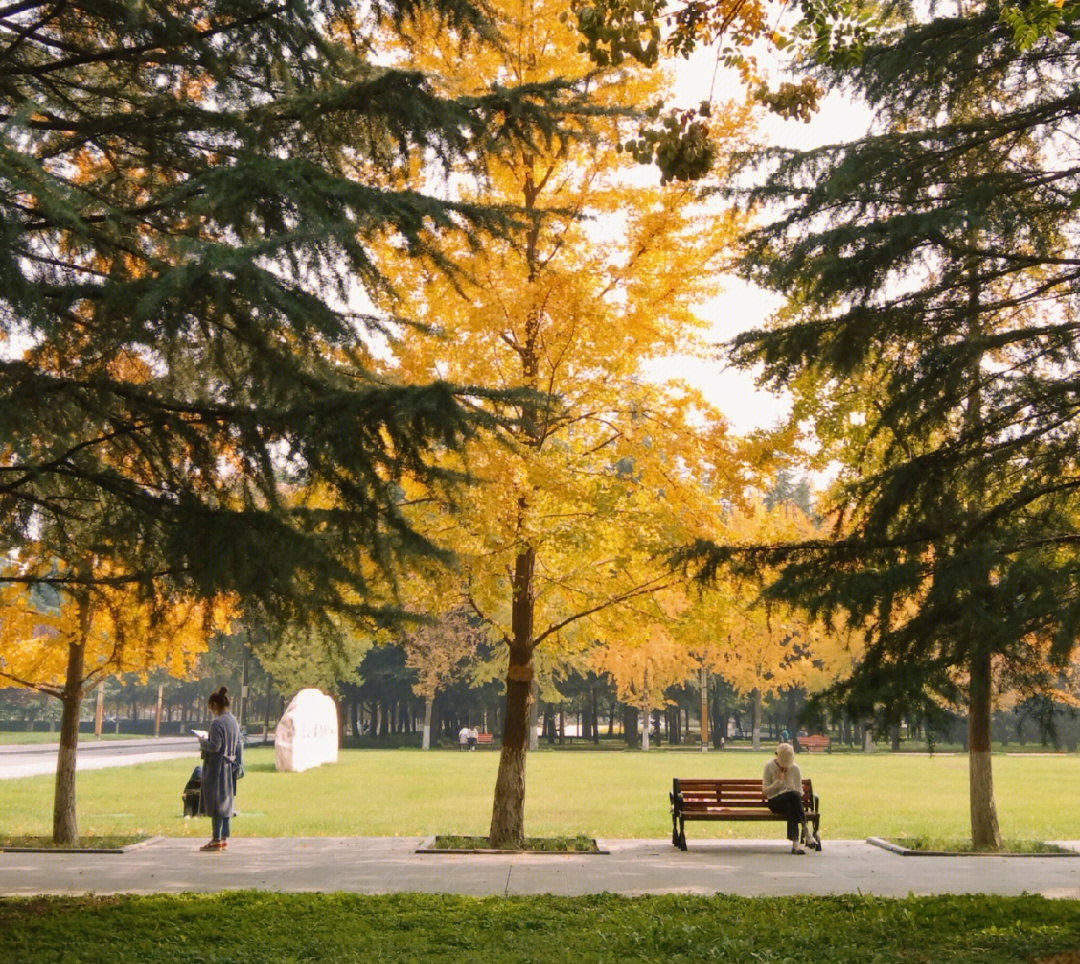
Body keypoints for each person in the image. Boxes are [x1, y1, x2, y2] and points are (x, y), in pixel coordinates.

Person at [198, 685, 242, 852]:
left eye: (210, 708)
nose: (211, 711)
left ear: (215, 705)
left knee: (216, 803)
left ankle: (216, 839)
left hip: (217, 768)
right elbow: (238, 743)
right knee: (226, 803)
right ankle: (224, 838)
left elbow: (215, 746)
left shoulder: (217, 723)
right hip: (230, 766)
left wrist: (202, 741)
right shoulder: (233, 720)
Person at [762, 741, 819, 854]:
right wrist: (778, 783)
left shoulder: (795, 769)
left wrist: (790, 791)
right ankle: (806, 831)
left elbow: (799, 791)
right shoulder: (769, 766)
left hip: (792, 802)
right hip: (775, 801)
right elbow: (765, 791)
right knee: (793, 796)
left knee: (791, 804)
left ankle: (796, 843)